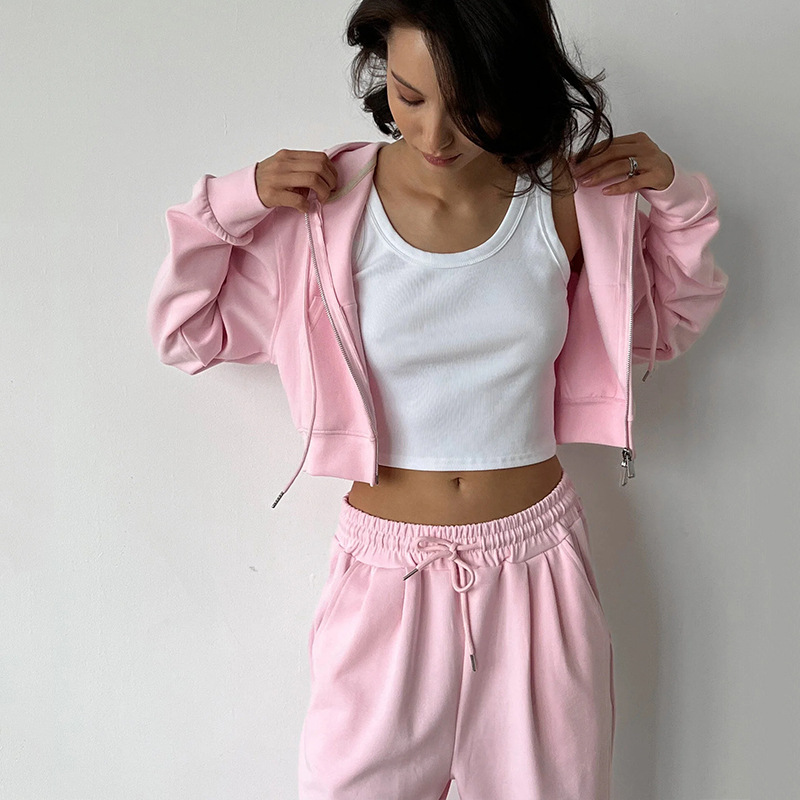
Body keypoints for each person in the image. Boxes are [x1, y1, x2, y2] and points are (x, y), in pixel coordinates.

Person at [146, 1, 728, 797]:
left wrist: (678, 199)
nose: (434, 135)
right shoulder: (326, 209)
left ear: (514, 86)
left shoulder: (568, 199)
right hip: (385, 584)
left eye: (469, 106)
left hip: (537, 576)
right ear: (383, 73)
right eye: (410, 97)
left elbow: (669, 324)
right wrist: (230, 201)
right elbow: (186, 332)